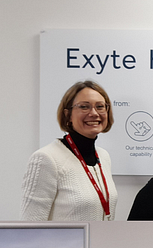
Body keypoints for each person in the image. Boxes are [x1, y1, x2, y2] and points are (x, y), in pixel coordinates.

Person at [21, 80, 118, 220]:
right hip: (64, 243)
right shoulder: (47, 158)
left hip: (101, 241)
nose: (94, 113)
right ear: (68, 115)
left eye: (100, 106)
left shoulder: (104, 157)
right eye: (84, 107)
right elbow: (30, 225)